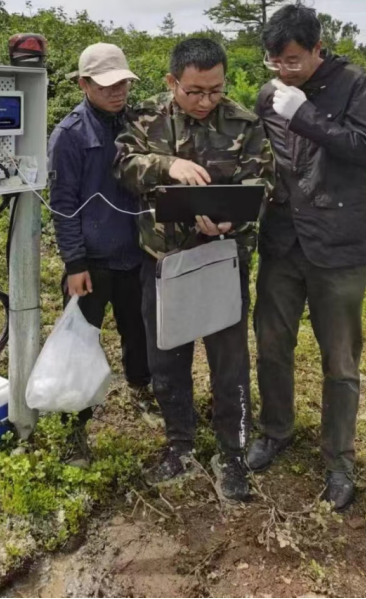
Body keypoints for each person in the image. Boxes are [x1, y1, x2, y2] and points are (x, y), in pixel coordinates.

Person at [115, 37, 272, 501]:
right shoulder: (144, 118)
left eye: (216, 90)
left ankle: (232, 453)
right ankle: (179, 444)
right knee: (167, 358)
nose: (206, 101)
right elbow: (123, 166)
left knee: (230, 363)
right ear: (172, 82)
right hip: (165, 262)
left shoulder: (244, 122)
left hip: (223, 261)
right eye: (194, 91)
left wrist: (233, 218)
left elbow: (262, 181)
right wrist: (169, 165)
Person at [247, 3, 366, 512]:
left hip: (339, 246)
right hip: (282, 242)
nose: (283, 70)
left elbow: (364, 149)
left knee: (340, 360)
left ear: (317, 49)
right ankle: (275, 431)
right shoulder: (267, 95)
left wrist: (304, 112)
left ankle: (339, 459)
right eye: (275, 61)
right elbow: (260, 158)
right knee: (273, 344)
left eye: (294, 60)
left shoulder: (354, 83)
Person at [47, 42, 157, 467]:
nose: (118, 92)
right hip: (91, 263)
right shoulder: (71, 136)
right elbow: (62, 202)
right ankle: (74, 424)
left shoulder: (137, 123)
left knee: (140, 331)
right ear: (84, 84)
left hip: (136, 254)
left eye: (123, 84)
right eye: (107, 85)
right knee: (80, 341)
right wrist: (74, 263)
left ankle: (141, 389)